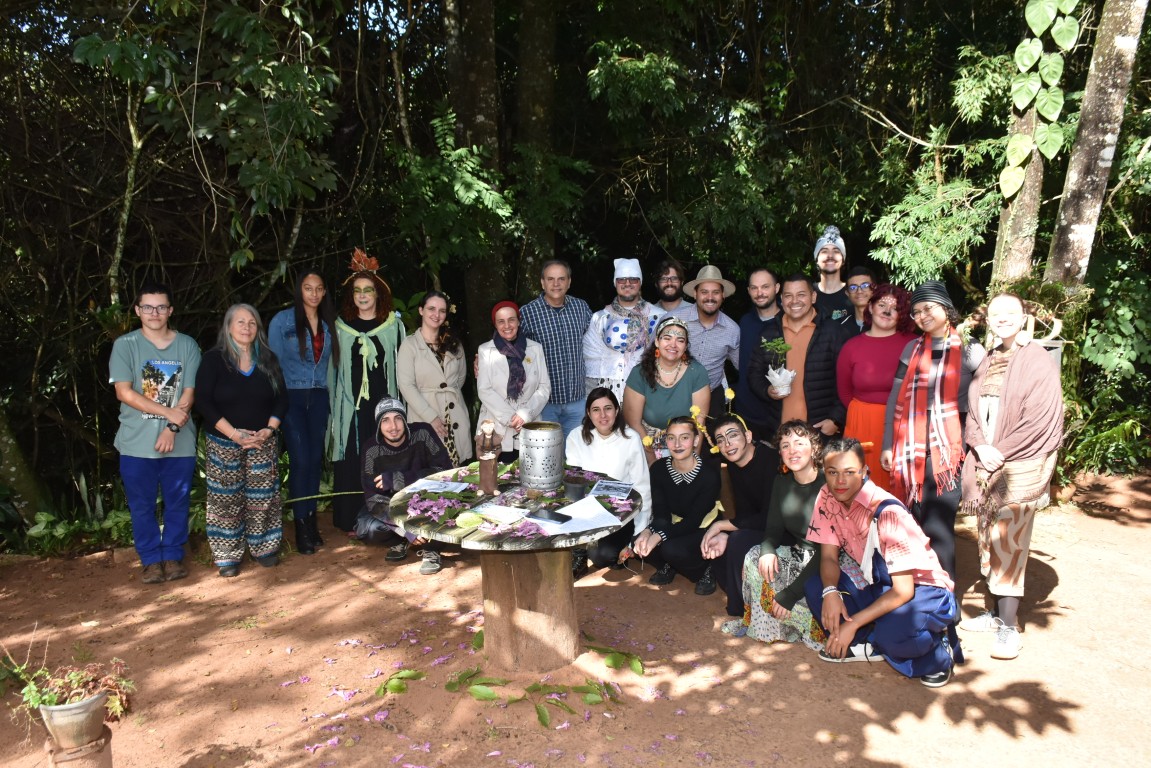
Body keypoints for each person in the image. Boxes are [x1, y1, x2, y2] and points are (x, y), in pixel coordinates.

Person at [804, 438, 961, 688]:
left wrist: (854, 622)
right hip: (878, 582)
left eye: (849, 472)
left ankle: (936, 656)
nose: (840, 481)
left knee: (894, 635)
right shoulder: (826, 496)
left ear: (864, 472)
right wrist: (830, 591)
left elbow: (903, 590)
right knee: (816, 588)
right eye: (832, 472)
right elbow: (828, 557)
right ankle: (866, 642)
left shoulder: (887, 512)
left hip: (922, 589)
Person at [959, 294, 1064, 660]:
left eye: (1010, 313)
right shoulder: (989, 358)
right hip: (987, 460)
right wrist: (979, 445)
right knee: (988, 536)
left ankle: (1009, 627)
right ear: (988, 320)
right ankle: (994, 613)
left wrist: (998, 451)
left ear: (1023, 318)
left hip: (1019, 463)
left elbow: (1041, 419)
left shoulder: (1037, 360)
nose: (1002, 318)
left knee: (1010, 540)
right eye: (995, 314)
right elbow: (973, 412)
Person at [881, 280, 985, 580]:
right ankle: (920, 592)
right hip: (910, 448)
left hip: (949, 452)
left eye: (928, 308)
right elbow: (895, 399)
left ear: (946, 308)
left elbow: (985, 402)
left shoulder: (970, 349)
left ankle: (945, 600)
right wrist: (888, 443)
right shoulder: (911, 349)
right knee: (912, 523)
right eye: (916, 312)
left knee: (939, 527)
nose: (922, 316)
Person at [110, 281, 201, 585]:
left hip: (180, 441)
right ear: (137, 310)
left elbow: (189, 392)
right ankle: (150, 560)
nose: (154, 313)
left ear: (170, 310)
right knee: (141, 506)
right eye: (147, 307)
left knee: (177, 501)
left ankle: (173, 555)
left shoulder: (187, 345)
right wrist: (167, 413)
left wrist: (172, 427)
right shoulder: (126, 345)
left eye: (161, 307)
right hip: (136, 442)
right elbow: (124, 392)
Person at [196, 304, 288, 578]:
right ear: (228, 327)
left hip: (261, 441)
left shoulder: (268, 359)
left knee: (264, 497)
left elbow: (282, 398)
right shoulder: (213, 360)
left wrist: (269, 429)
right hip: (224, 442)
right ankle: (227, 555)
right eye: (240, 322)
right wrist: (234, 434)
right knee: (225, 499)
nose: (247, 327)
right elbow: (203, 401)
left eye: (252, 323)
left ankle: (265, 547)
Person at [723, 420, 825, 648]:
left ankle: (807, 624)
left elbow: (828, 552)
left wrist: (790, 594)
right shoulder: (782, 482)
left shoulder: (828, 484)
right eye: (785, 445)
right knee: (754, 556)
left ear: (814, 448)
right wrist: (767, 550)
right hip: (801, 555)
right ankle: (769, 628)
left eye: (799, 443)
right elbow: (773, 530)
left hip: (830, 560)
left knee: (804, 593)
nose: (792, 450)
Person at [329, 249, 406, 533]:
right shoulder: (340, 327)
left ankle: (386, 518)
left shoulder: (393, 326)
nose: (362, 296)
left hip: (383, 405)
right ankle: (350, 517)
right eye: (357, 291)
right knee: (352, 456)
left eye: (368, 290)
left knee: (383, 455)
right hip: (350, 407)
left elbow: (402, 366)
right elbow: (333, 370)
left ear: (378, 293)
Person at [267, 269, 337, 555]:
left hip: (318, 395)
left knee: (315, 460)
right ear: (299, 290)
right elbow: (272, 364)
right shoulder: (282, 321)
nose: (314, 293)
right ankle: (300, 527)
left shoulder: (329, 323)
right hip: (291, 396)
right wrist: (275, 402)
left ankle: (311, 521)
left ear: (324, 292)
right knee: (301, 461)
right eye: (308, 288)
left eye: (319, 288)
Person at [747, 274, 851, 440]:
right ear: (781, 299)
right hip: (780, 433)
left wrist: (836, 419)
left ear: (813, 297)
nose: (794, 301)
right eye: (788, 296)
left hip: (819, 431)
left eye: (801, 294)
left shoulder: (833, 332)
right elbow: (754, 373)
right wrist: (767, 390)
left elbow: (849, 380)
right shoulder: (769, 333)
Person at [835, 284, 916, 493]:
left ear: (901, 315)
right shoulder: (851, 347)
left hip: (901, 424)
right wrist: (863, 413)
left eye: (895, 308)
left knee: (896, 487)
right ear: (870, 307)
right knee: (860, 487)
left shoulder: (913, 344)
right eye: (882, 305)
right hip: (861, 423)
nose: (887, 311)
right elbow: (844, 391)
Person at [360, 397, 454, 574]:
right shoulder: (371, 449)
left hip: (428, 501)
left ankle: (431, 549)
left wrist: (400, 479)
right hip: (395, 507)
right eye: (385, 420)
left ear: (405, 419)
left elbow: (445, 473)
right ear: (378, 425)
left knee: (448, 511)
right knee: (368, 528)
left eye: (397, 418)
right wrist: (406, 530)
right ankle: (401, 540)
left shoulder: (423, 433)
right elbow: (373, 499)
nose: (393, 427)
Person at [564, 388, 652, 570]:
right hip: (587, 511)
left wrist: (639, 531)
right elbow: (575, 481)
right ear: (588, 413)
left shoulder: (631, 439)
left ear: (617, 410)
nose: (603, 415)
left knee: (603, 556)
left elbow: (642, 485)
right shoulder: (576, 437)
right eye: (596, 410)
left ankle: (617, 546)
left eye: (608, 408)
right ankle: (580, 552)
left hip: (621, 513)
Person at [634, 416, 721, 591]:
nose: (677, 444)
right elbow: (661, 514)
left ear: (696, 440)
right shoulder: (658, 469)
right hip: (674, 522)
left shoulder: (709, 475)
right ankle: (669, 565)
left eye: (685, 437)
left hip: (702, 526)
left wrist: (658, 536)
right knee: (638, 541)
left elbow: (693, 521)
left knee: (671, 549)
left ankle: (705, 569)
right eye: (671, 438)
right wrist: (648, 531)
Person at [701, 414, 777, 615]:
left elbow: (770, 517)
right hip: (762, 525)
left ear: (748, 436)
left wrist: (722, 525)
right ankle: (745, 597)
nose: (727, 444)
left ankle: (738, 609)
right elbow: (745, 512)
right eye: (720, 440)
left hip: (783, 530)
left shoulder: (771, 460)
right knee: (718, 544)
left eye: (733, 435)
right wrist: (725, 533)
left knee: (736, 540)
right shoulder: (735, 465)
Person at [397, 291, 472, 466]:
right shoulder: (409, 345)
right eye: (431, 309)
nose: (436, 315)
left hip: (455, 416)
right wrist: (431, 416)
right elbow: (406, 385)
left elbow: (460, 379)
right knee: (429, 472)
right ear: (421, 310)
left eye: (442, 310)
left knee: (457, 472)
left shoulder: (455, 344)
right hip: (424, 416)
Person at [518, 261, 593, 437]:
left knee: (576, 452)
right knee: (547, 452)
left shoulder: (581, 308)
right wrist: (481, 359)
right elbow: (509, 343)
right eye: (550, 279)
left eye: (561, 279)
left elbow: (596, 341)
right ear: (542, 283)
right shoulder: (527, 313)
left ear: (569, 282)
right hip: (544, 403)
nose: (556, 284)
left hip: (577, 400)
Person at [622, 315, 710, 464]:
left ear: (686, 346)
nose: (673, 345)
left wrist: (693, 463)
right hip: (646, 447)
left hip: (685, 448)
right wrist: (653, 463)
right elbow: (634, 423)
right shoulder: (640, 373)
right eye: (667, 338)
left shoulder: (697, 372)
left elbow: (699, 424)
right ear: (657, 341)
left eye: (680, 340)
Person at [476, 300, 552, 461]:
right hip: (496, 428)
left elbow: (544, 387)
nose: (507, 325)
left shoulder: (535, 348)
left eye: (511, 319)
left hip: (529, 425)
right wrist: (510, 418)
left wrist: (524, 415)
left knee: (531, 473)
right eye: (501, 321)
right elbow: (484, 389)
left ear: (518, 321)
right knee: (496, 474)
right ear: (495, 324)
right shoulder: (485, 350)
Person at [583, 258, 664, 400]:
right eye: (621, 279)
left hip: (647, 388)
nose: (627, 283)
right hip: (608, 390)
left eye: (633, 279)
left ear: (640, 283)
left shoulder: (658, 316)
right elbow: (591, 356)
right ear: (615, 283)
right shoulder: (600, 318)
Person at [678, 265, 741, 419]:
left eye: (716, 292)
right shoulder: (675, 320)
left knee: (710, 435)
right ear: (695, 294)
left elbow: (742, 366)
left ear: (723, 295)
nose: (710, 297)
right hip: (674, 394)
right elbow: (651, 356)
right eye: (704, 292)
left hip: (712, 397)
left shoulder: (732, 329)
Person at [734, 267, 780, 439]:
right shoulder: (745, 322)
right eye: (754, 288)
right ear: (748, 291)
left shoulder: (787, 322)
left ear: (776, 288)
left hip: (778, 414)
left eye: (765, 287)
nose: (759, 293)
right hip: (746, 413)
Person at [813, 225, 851, 321]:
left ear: (843, 260)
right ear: (816, 259)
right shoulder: (808, 293)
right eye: (824, 251)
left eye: (836, 251)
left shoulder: (854, 293)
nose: (830, 255)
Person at [842, 267, 876, 335]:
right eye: (853, 287)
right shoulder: (840, 326)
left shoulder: (883, 323)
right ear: (847, 293)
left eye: (865, 286)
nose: (859, 291)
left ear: (874, 288)